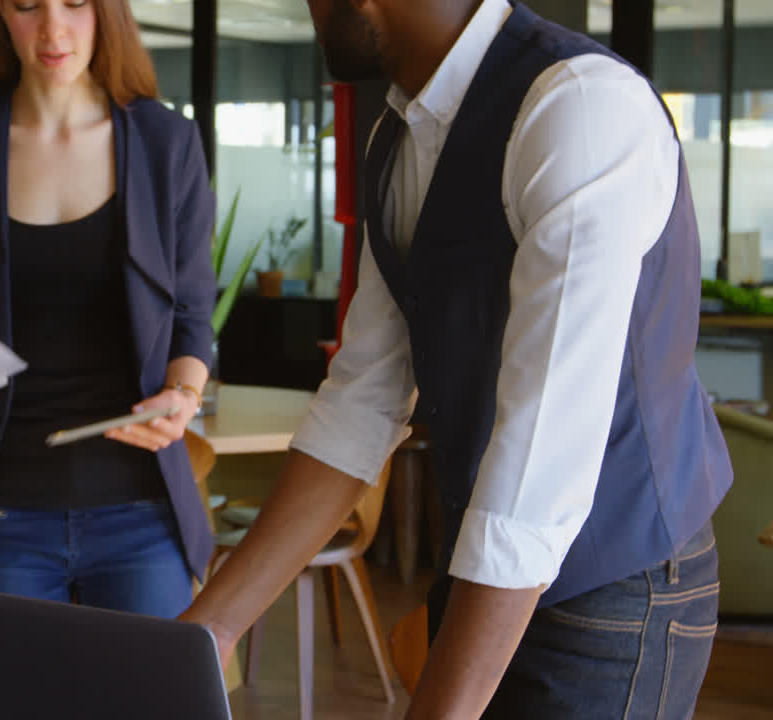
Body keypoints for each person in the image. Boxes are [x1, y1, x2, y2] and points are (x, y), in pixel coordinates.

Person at [180, 1, 733, 717]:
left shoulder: (579, 109)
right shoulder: (400, 136)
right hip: (488, 571)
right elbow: (362, 402)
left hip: (616, 587)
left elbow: (542, 458)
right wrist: (208, 630)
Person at [0, 0, 216, 620]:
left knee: (156, 680)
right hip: (3, 508)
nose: (53, 29)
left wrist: (183, 396)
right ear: (2, 11)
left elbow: (191, 316)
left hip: (141, 510)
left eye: (74, 3)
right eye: (28, 5)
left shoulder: (167, 142)